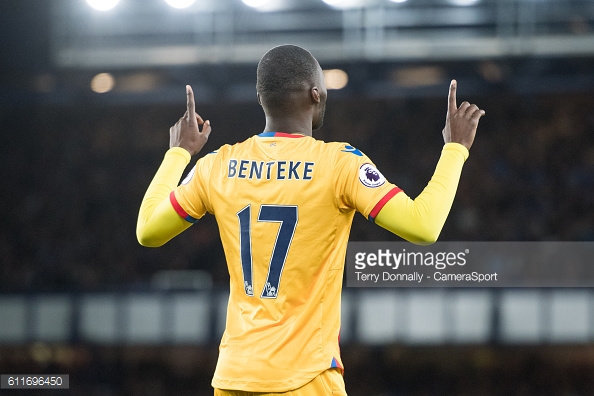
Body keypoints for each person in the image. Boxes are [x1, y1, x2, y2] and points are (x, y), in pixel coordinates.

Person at [136, 44, 485, 395]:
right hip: (307, 378)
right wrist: (455, 149)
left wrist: (178, 153)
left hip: (234, 379)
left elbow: (148, 230)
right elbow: (423, 225)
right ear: (315, 93)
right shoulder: (339, 164)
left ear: (262, 98)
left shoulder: (216, 165)